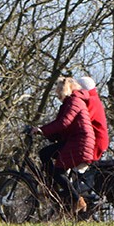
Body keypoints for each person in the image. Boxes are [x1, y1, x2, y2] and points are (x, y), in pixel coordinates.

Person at [30, 75, 96, 210]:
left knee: (58, 172)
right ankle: (54, 186)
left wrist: (41, 130)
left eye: (59, 92)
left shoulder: (74, 102)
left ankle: (78, 200)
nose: (58, 95)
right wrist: (47, 133)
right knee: (45, 153)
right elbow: (61, 126)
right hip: (75, 140)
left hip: (80, 142)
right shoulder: (70, 102)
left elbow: (64, 123)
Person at [77, 75, 109, 162]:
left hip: (95, 142)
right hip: (96, 141)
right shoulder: (95, 99)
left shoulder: (91, 101)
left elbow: (83, 120)